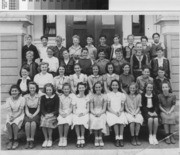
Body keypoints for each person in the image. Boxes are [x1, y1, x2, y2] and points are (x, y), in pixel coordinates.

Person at [106, 80, 127, 147]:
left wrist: (120, 111)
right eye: (113, 85)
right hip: (111, 111)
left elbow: (122, 106)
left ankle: (121, 138)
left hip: (119, 111)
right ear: (111, 86)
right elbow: (108, 107)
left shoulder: (122, 95)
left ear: (118, 86)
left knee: (121, 120)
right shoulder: (108, 95)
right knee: (115, 121)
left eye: (116, 85)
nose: (115, 86)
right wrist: (115, 113)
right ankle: (116, 138)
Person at [5, 85, 25, 150]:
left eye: (15, 91)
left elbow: (21, 110)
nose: (14, 92)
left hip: (20, 114)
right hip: (11, 114)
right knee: (8, 123)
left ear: (19, 91)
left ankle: (16, 140)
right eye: (12, 91)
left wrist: (15, 117)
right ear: (10, 92)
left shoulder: (22, 99)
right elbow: (9, 110)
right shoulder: (8, 99)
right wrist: (11, 116)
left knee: (14, 123)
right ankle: (10, 140)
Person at [40, 83, 59, 148]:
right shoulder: (43, 97)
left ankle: (50, 139)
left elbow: (57, 109)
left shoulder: (56, 97)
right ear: (45, 90)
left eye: (50, 90)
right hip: (45, 114)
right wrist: (45, 114)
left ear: (52, 90)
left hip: (53, 114)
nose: (48, 91)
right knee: (43, 121)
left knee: (48, 121)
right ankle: (46, 139)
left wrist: (51, 114)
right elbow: (42, 108)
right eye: (47, 90)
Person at [90, 81, 108, 147]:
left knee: (101, 118)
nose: (98, 88)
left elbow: (104, 108)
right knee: (94, 119)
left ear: (102, 87)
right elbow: (91, 108)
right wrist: (95, 113)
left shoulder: (104, 96)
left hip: (101, 111)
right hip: (94, 112)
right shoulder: (92, 96)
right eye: (96, 87)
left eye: (99, 87)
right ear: (94, 88)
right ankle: (96, 137)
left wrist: (100, 113)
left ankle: (100, 137)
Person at [72, 82, 90, 148]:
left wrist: (83, 113)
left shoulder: (87, 97)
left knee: (83, 121)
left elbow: (88, 109)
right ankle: (78, 137)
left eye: (82, 87)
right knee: (76, 120)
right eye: (80, 88)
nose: (81, 89)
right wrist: (77, 114)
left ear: (85, 88)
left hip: (84, 112)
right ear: (77, 88)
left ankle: (82, 136)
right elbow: (73, 109)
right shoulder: (75, 97)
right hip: (76, 112)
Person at [24, 82, 40, 149]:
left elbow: (38, 108)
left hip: (36, 112)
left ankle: (32, 140)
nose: (32, 89)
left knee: (33, 123)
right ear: (28, 88)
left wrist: (33, 115)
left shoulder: (39, 96)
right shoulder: (25, 96)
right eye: (31, 88)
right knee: (27, 123)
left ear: (36, 88)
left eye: (33, 88)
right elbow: (26, 108)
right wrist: (28, 114)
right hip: (28, 112)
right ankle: (28, 140)